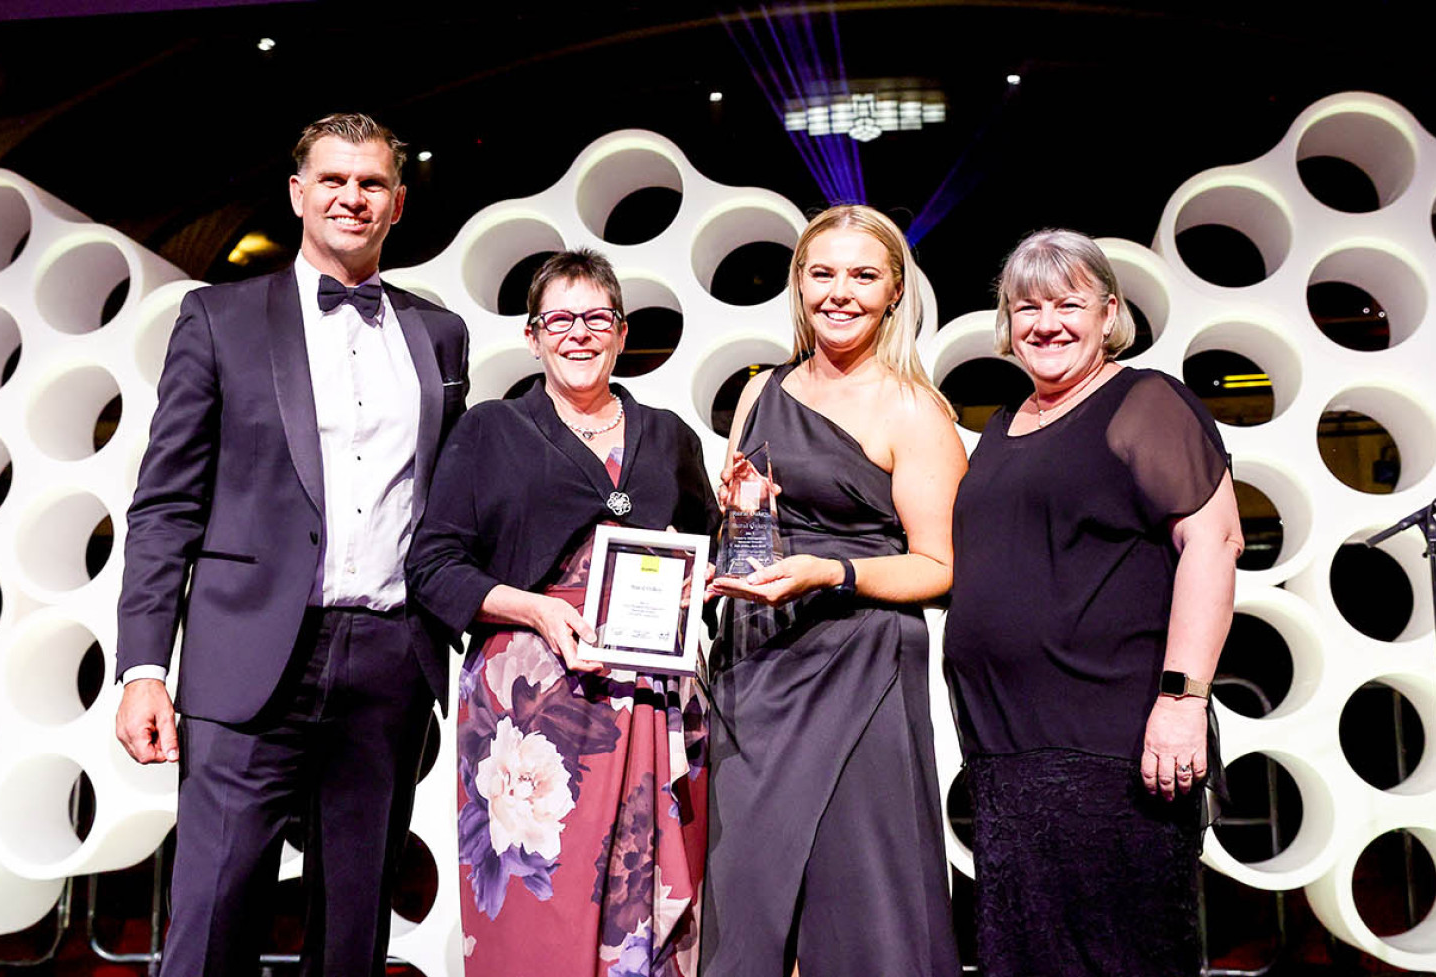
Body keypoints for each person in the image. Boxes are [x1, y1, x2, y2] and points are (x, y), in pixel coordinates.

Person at [114, 112, 470, 976]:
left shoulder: (440, 334)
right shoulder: (217, 320)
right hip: (247, 659)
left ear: (397, 203)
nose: (353, 196)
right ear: (298, 193)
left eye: (373, 183)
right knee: (214, 911)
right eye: (335, 179)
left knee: (353, 928)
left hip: (388, 659)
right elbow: (165, 507)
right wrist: (142, 668)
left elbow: (447, 505)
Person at [407, 248, 718, 976]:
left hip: (651, 702)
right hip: (531, 712)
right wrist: (541, 612)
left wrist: (719, 557)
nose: (578, 333)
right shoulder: (489, 431)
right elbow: (433, 564)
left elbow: (708, 557)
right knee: (537, 909)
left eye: (596, 318)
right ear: (533, 334)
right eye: (559, 319)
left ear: (620, 331)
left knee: (654, 895)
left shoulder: (668, 436)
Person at [944, 228, 1244, 976]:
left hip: (1111, 750)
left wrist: (1182, 698)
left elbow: (1216, 544)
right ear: (1007, 324)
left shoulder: (1143, 402)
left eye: (1068, 303)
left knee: (1121, 956)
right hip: (1008, 756)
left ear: (1109, 313)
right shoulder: (1000, 427)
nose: (1047, 323)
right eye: (1027, 306)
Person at [701, 204, 966, 976]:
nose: (839, 291)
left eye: (862, 274)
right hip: (760, 668)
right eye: (822, 273)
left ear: (893, 292)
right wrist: (747, 524)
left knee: (864, 900)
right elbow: (751, 552)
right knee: (746, 898)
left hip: (862, 667)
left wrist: (835, 572)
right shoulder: (761, 393)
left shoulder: (914, 410)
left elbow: (941, 567)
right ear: (799, 285)